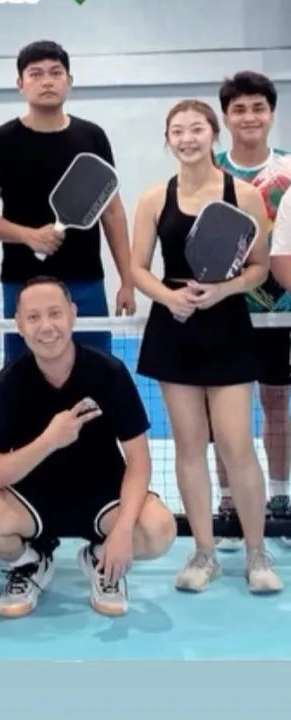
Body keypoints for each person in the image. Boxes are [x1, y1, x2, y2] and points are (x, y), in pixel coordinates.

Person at [131, 99, 282, 593]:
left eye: (197, 129)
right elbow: (136, 267)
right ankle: (204, 553)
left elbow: (259, 267)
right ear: (167, 139)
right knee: (190, 446)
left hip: (227, 324)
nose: (187, 138)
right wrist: (168, 297)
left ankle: (257, 554)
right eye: (178, 131)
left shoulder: (244, 195)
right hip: (174, 325)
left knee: (237, 444)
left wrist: (223, 290)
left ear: (213, 135)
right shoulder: (154, 198)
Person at [0, 276, 176, 618]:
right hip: (31, 501)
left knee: (160, 528)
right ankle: (31, 563)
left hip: (103, 498)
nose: (46, 326)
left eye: (55, 313)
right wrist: (50, 440)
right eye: (33, 317)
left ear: (73, 314)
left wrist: (122, 532)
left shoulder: (109, 373)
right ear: (19, 324)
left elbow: (139, 461)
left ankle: (101, 560)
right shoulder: (6, 384)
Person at [0, 40, 136, 367]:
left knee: (96, 371)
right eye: (36, 74)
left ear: (69, 81)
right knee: (25, 375)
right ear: (20, 84)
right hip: (22, 281)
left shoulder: (92, 137)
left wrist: (127, 280)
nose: (46, 81)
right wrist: (28, 236)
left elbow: (112, 212)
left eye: (55, 73)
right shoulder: (0, 142)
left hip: (86, 280)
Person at [212, 72, 291, 551]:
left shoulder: (289, 171)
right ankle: (228, 501)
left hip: (281, 310)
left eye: (258, 107)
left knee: (276, 404)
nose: (249, 117)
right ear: (225, 117)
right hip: (223, 310)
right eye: (239, 109)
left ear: (271, 113)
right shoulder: (210, 171)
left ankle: (280, 495)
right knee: (226, 411)